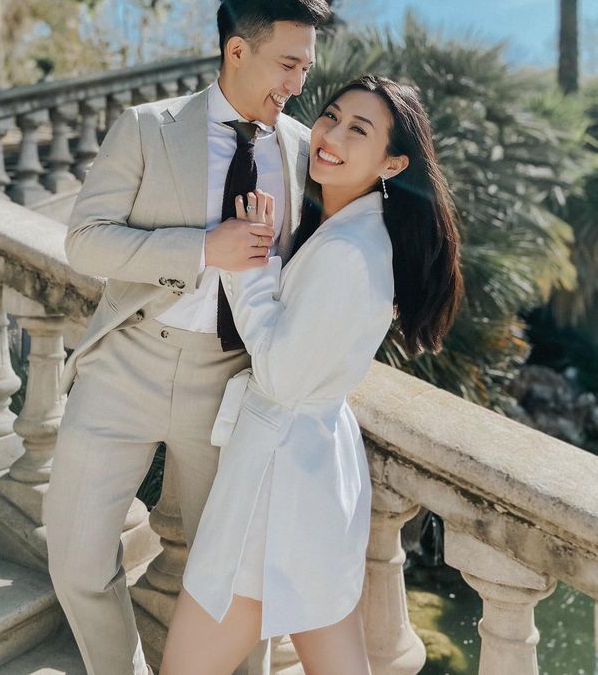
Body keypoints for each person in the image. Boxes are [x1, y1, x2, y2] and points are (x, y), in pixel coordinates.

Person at [44, 0, 331, 675]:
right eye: (288, 63)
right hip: (124, 367)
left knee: (233, 585)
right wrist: (204, 247)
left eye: (306, 65)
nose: (300, 81)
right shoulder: (147, 126)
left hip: (230, 388)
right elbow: (86, 241)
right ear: (238, 50)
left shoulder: (303, 151)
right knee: (78, 560)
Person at [161, 75, 464, 675]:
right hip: (301, 471)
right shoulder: (346, 229)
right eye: (331, 116)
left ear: (393, 163)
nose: (331, 134)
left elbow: (282, 373)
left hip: (276, 489)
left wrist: (245, 265)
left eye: (360, 129)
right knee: (334, 653)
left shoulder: (351, 252)